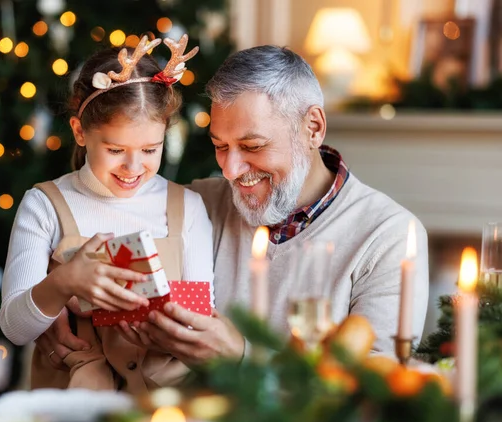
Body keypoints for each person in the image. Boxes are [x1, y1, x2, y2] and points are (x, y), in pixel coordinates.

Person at [35, 45, 429, 371]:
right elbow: (90, 229)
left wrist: (240, 357)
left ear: (313, 128)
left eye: (253, 146)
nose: (230, 169)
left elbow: (376, 396)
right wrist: (56, 304)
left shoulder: (389, 237)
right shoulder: (192, 205)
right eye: (220, 146)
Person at [0, 35, 214, 394]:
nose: (133, 166)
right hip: (70, 402)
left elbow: (201, 321)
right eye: (115, 149)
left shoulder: (187, 207)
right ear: (80, 132)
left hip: (163, 404)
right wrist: (64, 283)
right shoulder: (45, 205)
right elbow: (15, 328)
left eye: (150, 149)